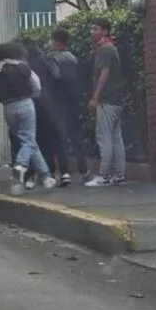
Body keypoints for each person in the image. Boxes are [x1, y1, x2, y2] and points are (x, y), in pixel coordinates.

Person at [0, 42, 53, 195]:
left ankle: (46, 176)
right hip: (25, 104)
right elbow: (37, 86)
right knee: (28, 139)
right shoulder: (23, 68)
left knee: (27, 141)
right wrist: (32, 96)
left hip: (8, 107)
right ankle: (20, 166)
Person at [20, 37, 71, 188]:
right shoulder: (46, 60)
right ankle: (64, 173)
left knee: (32, 140)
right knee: (55, 139)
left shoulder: (24, 65)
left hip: (31, 104)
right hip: (49, 104)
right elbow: (57, 76)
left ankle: (31, 176)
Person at [85, 19, 127, 187]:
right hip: (117, 100)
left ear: (104, 31)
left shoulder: (104, 50)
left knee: (104, 138)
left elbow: (104, 73)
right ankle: (120, 174)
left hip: (107, 100)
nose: (92, 32)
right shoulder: (112, 48)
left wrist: (95, 97)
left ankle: (103, 176)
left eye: (95, 29)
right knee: (117, 138)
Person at [48, 29, 88, 178]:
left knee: (61, 137)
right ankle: (84, 169)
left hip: (58, 101)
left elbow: (53, 78)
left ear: (56, 41)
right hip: (73, 100)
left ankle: (65, 171)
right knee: (76, 137)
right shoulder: (73, 58)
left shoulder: (52, 58)